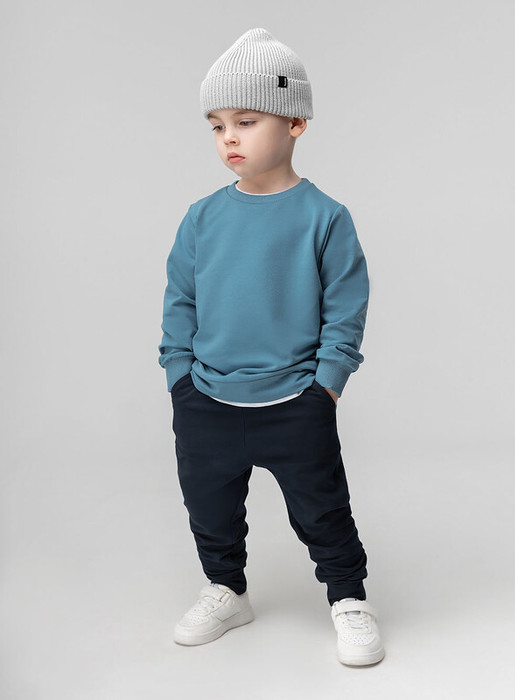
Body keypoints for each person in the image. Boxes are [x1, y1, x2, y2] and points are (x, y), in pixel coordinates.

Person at [158, 27, 385, 667]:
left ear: (295, 123)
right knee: (210, 509)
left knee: (323, 510)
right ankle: (226, 590)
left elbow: (346, 306)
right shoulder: (202, 217)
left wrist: (326, 386)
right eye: (217, 126)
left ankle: (349, 598)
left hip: (295, 401)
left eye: (246, 121)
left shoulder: (325, 217)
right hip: (206, 399)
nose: (228, 138)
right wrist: (179, 376)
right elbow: (180, 299)